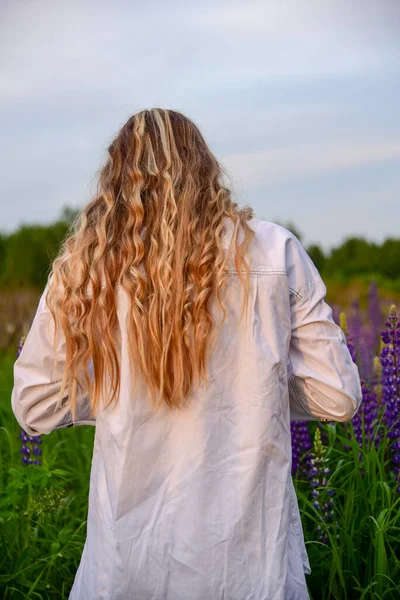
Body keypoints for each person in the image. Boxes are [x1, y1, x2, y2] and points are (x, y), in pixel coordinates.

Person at [11, 108, 362, 600]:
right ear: (205, 167)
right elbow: (338, 396)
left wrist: (126, 395)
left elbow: (36, 404)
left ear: (115, 179)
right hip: (249, 571)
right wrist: (248, 395)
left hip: (126, 568)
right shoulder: (275, 252)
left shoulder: (84, 266)